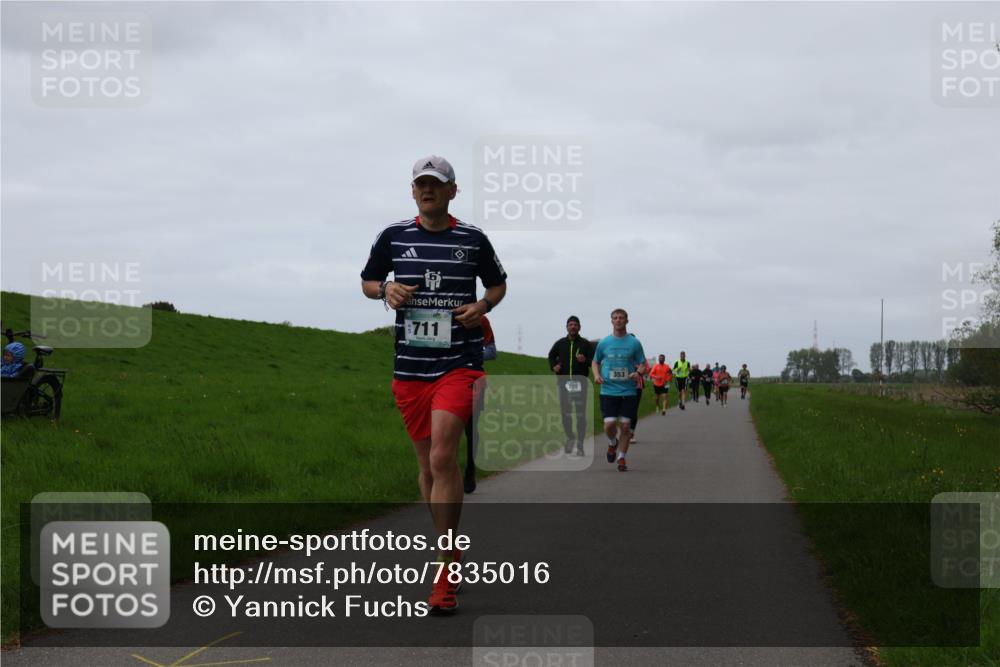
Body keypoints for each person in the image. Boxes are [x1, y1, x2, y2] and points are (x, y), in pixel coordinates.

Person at [361, 155, 507, 613]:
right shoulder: (393, 236)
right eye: (421, 184)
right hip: (409, 370)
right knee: (427, 469)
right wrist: (385, 290)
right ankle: (451, 547)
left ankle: (443, 572)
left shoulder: (473, 238)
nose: (428, 191)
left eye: (436, 184)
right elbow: (366, 281)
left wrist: (482, 307)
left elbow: (498, 285)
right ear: (413, 192)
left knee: (444, 456)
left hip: (458, 363)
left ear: (452, 191)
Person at [592, 309, 647, 472]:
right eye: (615, 318)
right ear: (611, 321)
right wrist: (596, 375)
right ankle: (612, 443)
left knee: (625, 426)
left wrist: (637, 373)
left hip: (628, 391)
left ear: (627, 321)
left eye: (621, 318)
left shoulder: (634, 343)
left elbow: (643, 364)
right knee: (609, 425)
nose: (618, 320)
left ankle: (621, 457)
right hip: (608, 390)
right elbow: (595, 361)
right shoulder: (604, 342)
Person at [547, 316, 593, 456]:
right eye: (570, 324)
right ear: (567, 327)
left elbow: (593, 362)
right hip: (564, 383)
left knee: (580, 415)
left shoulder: (585, 344)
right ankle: (570, 437)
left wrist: (585, 360)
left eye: (575, 324)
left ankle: (580, 444)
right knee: (566, 414)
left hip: (580, 384)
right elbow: (551, 355)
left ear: (579, 327)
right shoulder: (560, 343)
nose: (573, 327)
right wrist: (554, 366)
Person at [464, 315, 496, 493]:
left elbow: (492, 351)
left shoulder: (481, 319)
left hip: (473, 379)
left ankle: (470, 469)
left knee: (471, 429)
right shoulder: (440, 315)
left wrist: (468, 354)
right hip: (441, 378)